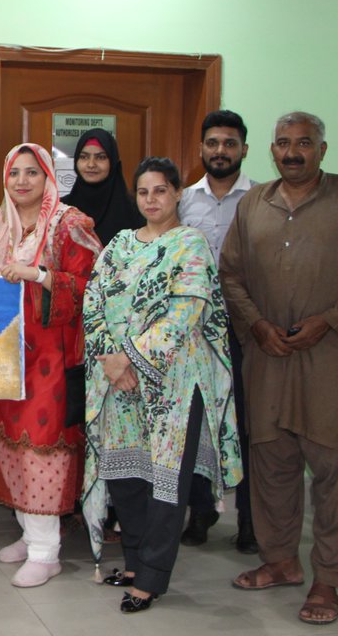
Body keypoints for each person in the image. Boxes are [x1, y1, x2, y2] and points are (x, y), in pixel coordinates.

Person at [220, 112, 338, 626]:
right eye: (283, 143)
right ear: (271, 151)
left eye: (304, 142)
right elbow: (230, 274)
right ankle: (280, 562)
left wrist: (333, 320)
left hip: (331, 361)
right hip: (269, 359)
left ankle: (329, 579)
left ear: (323, 149)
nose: (293, 151)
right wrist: (255, 325)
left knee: (337, 475)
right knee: (272, 468)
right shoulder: (255, 202)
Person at [83, 156, 242, 614]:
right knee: (127, 477)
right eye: (143, 192)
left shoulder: (190, 245)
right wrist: (113, 361)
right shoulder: (118, 245)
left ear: (176, 194)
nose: (151, 199)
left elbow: (184, 312)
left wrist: (130, 356)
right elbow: (94, 302)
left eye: (160, 190)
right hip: (117, 379)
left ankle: (152, 577)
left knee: (163, 483)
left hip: (174, 383)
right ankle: (133, 562)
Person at [0, 144, 100, 587]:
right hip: (6, 353)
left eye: (33, 172)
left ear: (48, 177)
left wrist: (41, 275)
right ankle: (31, 538)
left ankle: (48, 552)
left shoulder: (71, 225)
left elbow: (93, 287)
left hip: (50, 355)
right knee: (10, 443)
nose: (22, 181)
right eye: (15, 173)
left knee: (41, 446)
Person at [176, 110, 257, 553]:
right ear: (202, 148)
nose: (220, 151)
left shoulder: (264, 199)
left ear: (244, 148)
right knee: (195, 423)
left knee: (246, 425)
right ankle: (200, 511)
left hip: (248, 332)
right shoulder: (185, 200)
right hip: (196, 333)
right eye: (212, 143)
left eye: (229, 143)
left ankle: (250, 521)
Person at [61, 128, 143, 246]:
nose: (91, 164)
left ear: (113, 162)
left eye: (101, 157)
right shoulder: (63, 209)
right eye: (84, 157)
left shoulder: (134, 209)